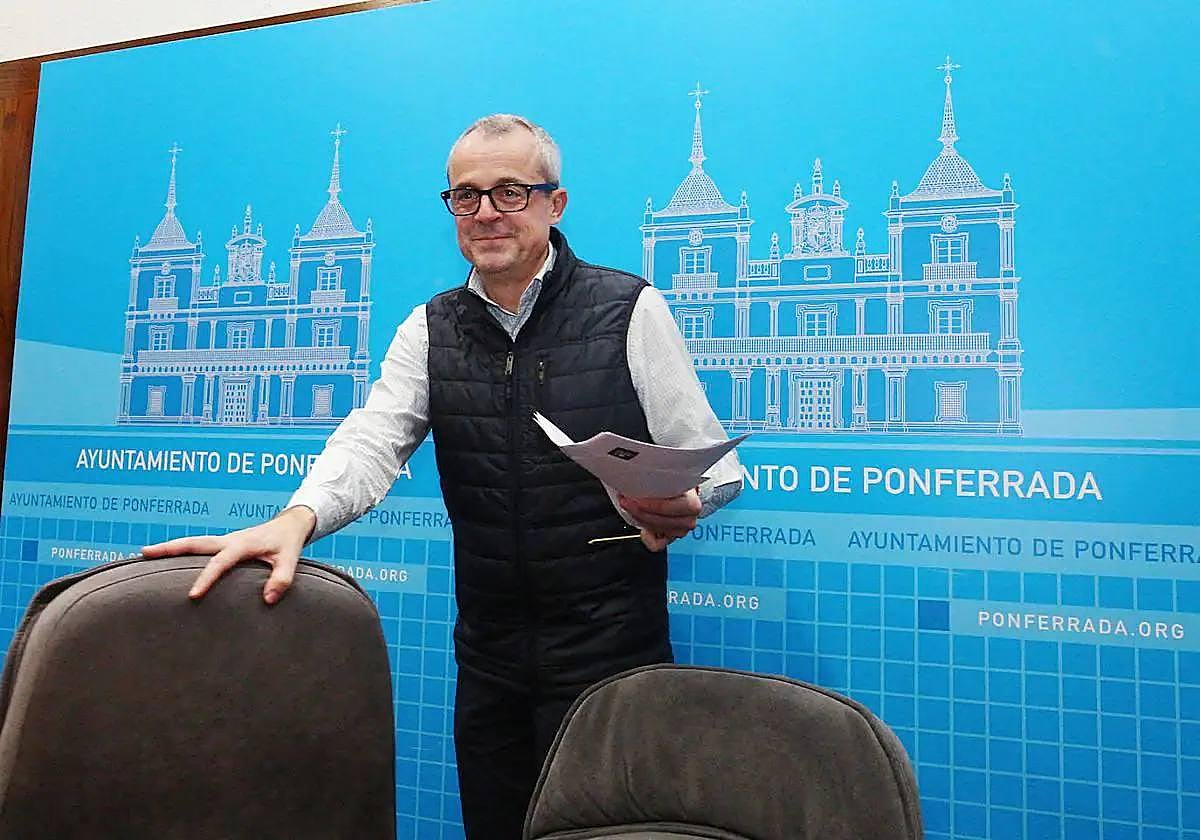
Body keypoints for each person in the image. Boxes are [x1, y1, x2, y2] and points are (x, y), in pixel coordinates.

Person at [143, 114, 742, 839]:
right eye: (466, 195)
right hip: (489, 664)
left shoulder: (629, 308)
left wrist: (688, 500)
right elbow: (373, 439)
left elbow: (715, 464)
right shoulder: (430, 328)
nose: (486, 212)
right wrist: (297, 519)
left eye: (511, 191)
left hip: (612, 658)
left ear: (555, 203)